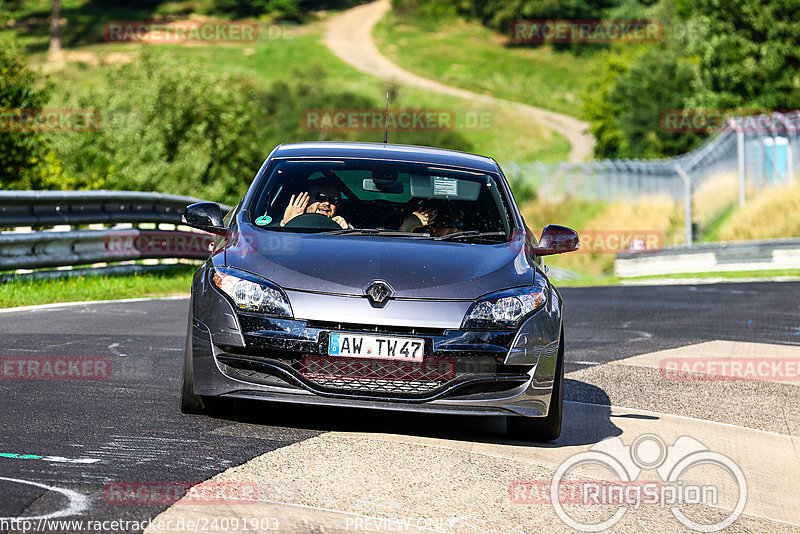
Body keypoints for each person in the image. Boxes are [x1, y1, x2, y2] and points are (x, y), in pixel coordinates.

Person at [280, 178, 350, 229]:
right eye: (320, 197)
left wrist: (346, 231)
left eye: (333, 200)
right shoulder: (289, 221)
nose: (327, 203)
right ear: (307, 199)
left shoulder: (342, 226)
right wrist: (286, 224)